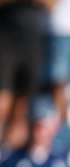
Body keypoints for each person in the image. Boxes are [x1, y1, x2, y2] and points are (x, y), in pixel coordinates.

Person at [0, 0, 52, 149]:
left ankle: (9, 161)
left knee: (21, 110)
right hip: (5, 41)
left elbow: (51, 4)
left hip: (33, 43)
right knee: (3, 103)